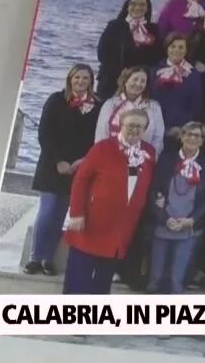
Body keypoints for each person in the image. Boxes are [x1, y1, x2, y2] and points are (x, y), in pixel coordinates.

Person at [62, 108, 157, 294]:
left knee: (102, 285)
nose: (135, 130)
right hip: (92, 222)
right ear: (121, 125)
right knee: (77, 282)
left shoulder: (149, 152)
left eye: (140, 126)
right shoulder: (103, 147)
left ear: (145, 130)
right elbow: (80, 181)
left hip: (121, 228)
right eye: (131, 125)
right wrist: (76, 214)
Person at [25, 64, 100, 276]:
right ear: (70, 79)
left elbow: (97, 138)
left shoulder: (97, 105)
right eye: (77, 78)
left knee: (60, 214)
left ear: (91, 81)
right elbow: (44, 134)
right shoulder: (56, 100)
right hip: (52, 165)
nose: (80, 81)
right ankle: (35, 257)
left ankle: (48, 258)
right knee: (47, 211)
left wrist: (83, 162)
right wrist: (59, 161)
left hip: (78, 167)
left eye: (85, 78)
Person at [147, 122, 205, 294]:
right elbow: (153, 190)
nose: (192, 138)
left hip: (190, 229)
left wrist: (192, 220)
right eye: (188, 134)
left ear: (202, 141)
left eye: (197, 136)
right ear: (181, 136)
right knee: (155, 279)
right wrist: (165, 218)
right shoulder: (167, 159)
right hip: (164, 224)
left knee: (177, 281)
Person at [95, 0, 162, 100]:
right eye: (133, 3)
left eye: (142, 4)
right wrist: (123, 76)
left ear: (147, 8)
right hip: (112, 82)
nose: (137, 7)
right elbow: (101, 54)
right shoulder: (114, 26)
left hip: (139, 84)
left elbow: (157, 57)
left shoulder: (153, 30)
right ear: (127, 6)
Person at [94, 66, 166, 156]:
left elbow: (158, 138)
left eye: (143, 81)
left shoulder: (154, 107)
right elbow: (101, 135)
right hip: (112, 156)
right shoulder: (110, 104)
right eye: (135, 79)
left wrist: (149, 158)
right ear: (125, 81)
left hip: (143, 158)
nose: (138, 84)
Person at [151, 33, 204, 138]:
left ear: (186, 50)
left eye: (181, 47)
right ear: (167, 48)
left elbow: (196, 103)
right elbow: (151, 100)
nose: (176, 50)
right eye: (173, 46)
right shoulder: (154, 71)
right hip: (158, 127)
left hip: (184, 129)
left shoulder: (194, 74)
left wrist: (185, 127)